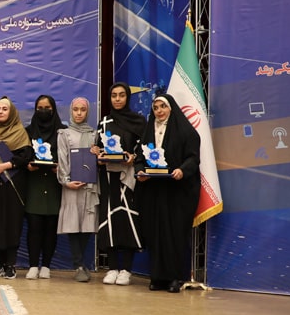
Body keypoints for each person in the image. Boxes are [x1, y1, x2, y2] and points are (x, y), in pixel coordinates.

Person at [134, 93, 201, 293]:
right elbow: (139, 158)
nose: (159, 111)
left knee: (174, 234)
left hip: (176, 193)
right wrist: (140, 172)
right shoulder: (148, 131)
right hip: (154, 192)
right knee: (155, 234)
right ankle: (157, 277)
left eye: (163, 107)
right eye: (155, 108)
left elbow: (193, 158)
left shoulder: (186, 131)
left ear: (171, 108)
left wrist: (182, 170)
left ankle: (175, 278)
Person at [94, 82, 147, 285]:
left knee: (128, 220)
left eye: (121, 95)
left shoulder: (139, 121)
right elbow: (98, 147)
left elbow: (145, 148)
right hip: (108, 177)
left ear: (127, 97)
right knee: (110, 220)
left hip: (128, 178)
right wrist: (97, 154)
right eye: (114, 95)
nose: (117, 99)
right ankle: (112, 268)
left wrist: (134, 157)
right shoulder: (104, 122)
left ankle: (126, 269)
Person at [0, 96, 32, 280]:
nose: (1, 112)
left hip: (14, 184)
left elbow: (25, 156)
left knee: (12, 222)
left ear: (11, 112)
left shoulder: (20, 132)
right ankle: (1, 264)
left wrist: (5, 165)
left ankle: (11, 264)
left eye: (4, 109)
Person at [23, 94, 65, 279]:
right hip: (34, 185)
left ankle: (46, 266)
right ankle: (33, 265)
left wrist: (61, 168)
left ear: (53, 109)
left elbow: (68, 158)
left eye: (47, 108)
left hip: (54, 185)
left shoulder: (62, 132)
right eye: (40, 108)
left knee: (50, 228)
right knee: (34, 227)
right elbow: (22, 156)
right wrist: (27, 165)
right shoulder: (28, 131)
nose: (43, 111)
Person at [57, 97, 98, 282]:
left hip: (89, 186)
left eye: (83, 109)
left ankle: (82, 263)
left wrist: (98, 153)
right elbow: (62, 158)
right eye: (76, 109)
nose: (79, 113)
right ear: (71, 111)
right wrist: (66, 181)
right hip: (71, 186)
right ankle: (79, 265)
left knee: (87, 224)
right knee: (73, 225)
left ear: (87, 111)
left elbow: (98, 161)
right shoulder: (64, 134)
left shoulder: (94, 134)